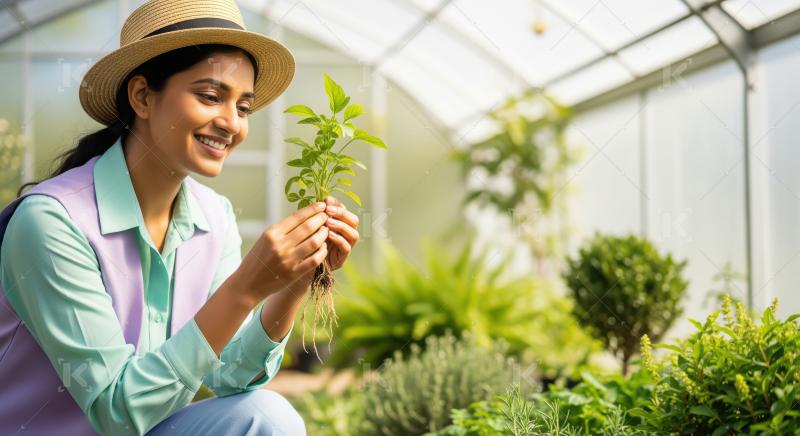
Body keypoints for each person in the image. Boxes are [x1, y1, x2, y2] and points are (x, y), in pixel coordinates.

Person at [0, 0, 360, 434]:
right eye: (210, 97)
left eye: (243, 107)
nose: (231, 123)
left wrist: (293, 279)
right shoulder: (52, 222)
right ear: (142, 97)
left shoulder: (214, 216)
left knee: (267, 416)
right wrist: (247, 285)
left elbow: (231, 376)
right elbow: (118, 411)